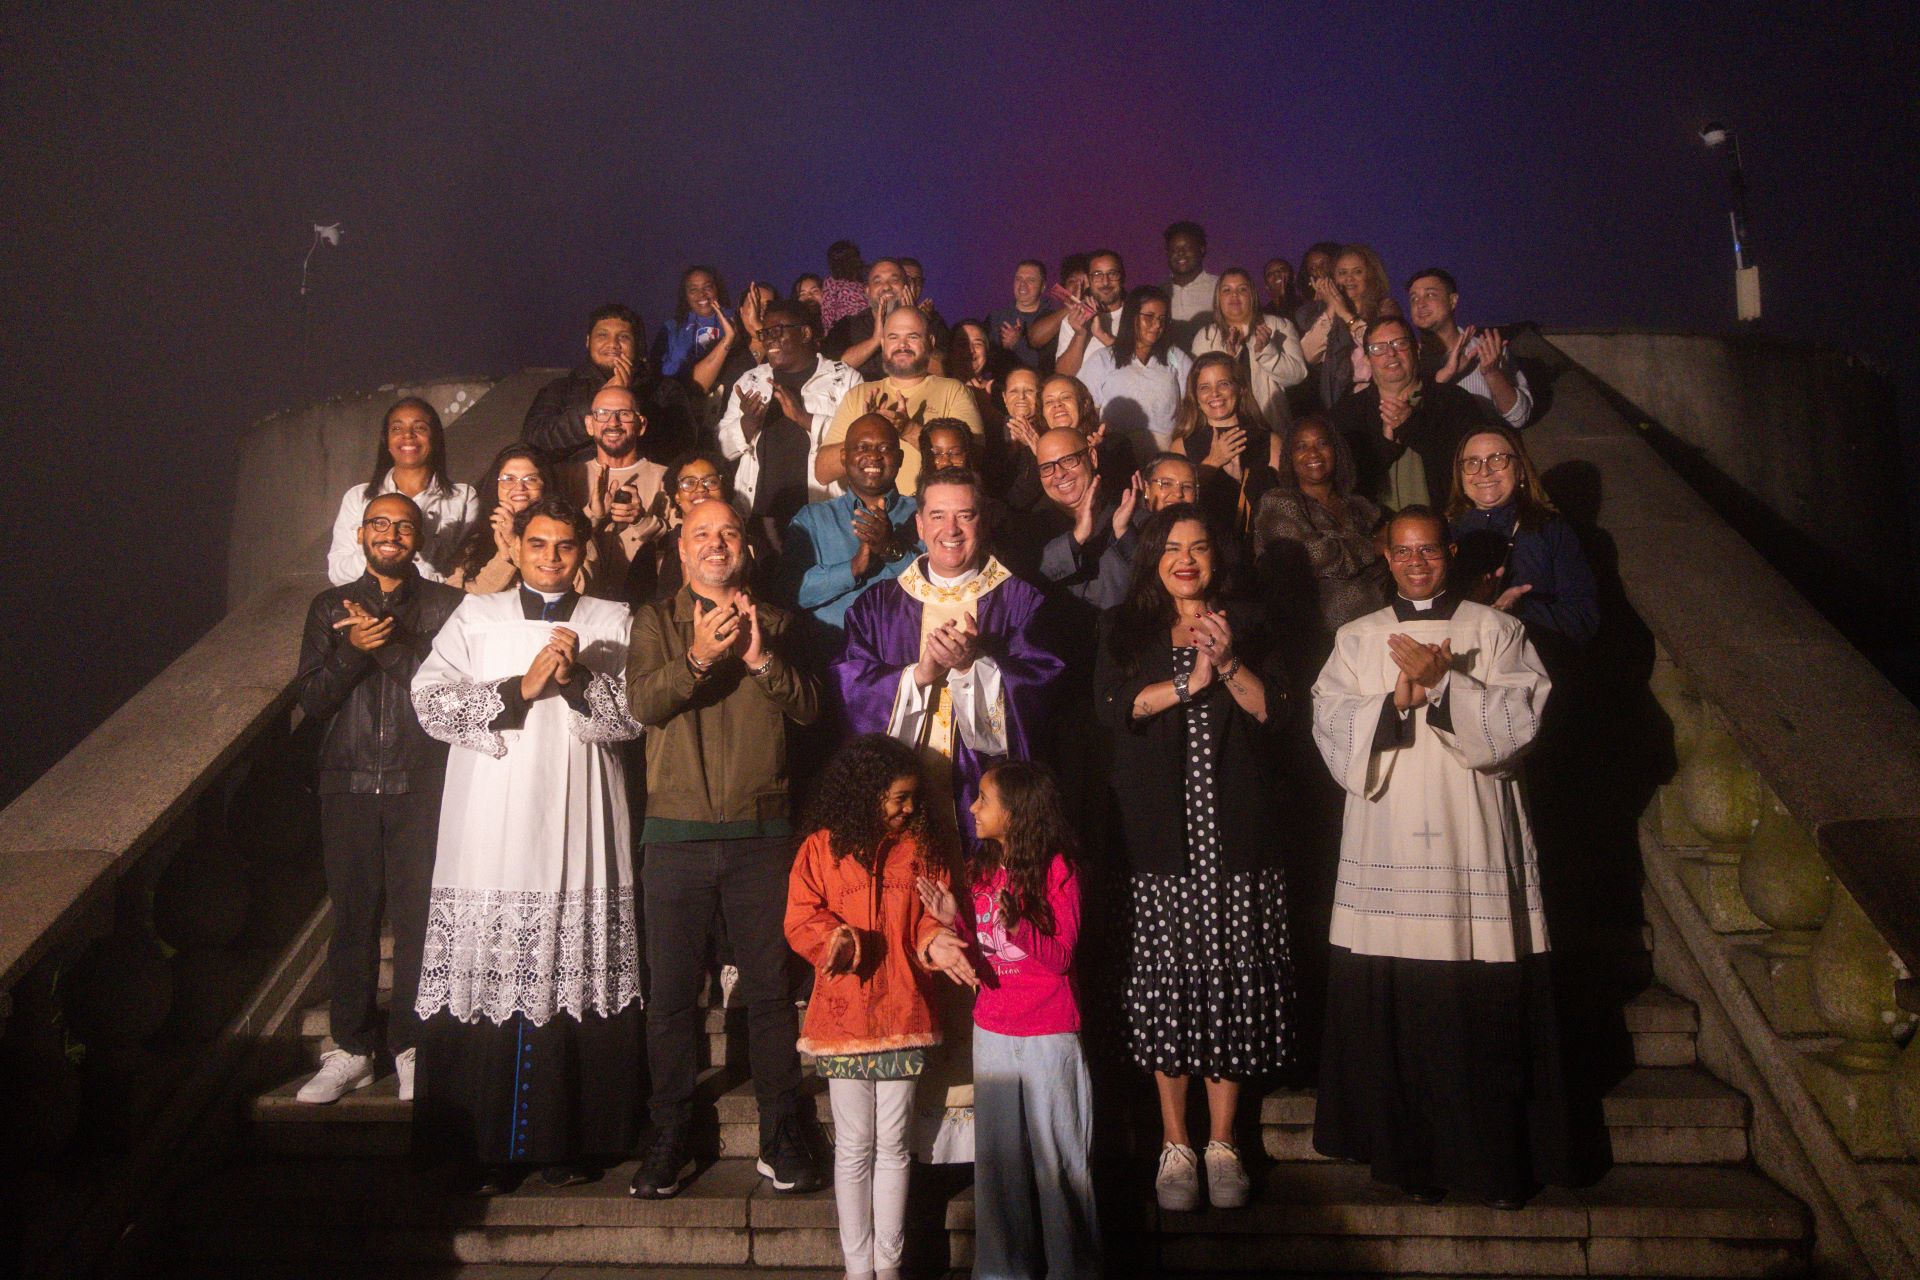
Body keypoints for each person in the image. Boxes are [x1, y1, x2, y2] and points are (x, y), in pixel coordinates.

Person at [1308, 506, 1570, 1208]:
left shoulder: (1496, 630)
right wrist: (1396, 698)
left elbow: (1519, 723)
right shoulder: (1358, 638)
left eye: (1429, 550)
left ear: (1449, 552)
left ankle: (1488, 1166)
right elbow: (1330, 725)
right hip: (1388, 837)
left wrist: (1450, 685)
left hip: (1472, 837)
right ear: (1382, 555)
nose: (1416, 562)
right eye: (1403, 551)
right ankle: (1411, 1163)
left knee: (1476, 1013)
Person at [408, 497, 646, 1193]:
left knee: (568, 972)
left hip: (579, 809)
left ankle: (566, 1142)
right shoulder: (477, 616)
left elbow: (631, 718)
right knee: (494, 968)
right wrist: (520, 687)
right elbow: (428, 700)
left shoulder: (609, 619)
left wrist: (574, 683)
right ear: (514, 545)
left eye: (566, 546)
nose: (551, 557)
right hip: (491, 812)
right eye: (538, 543)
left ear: (583, 551)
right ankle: (482, 1149)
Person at [1095, 503, 1292, 1213]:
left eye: (1200, 547)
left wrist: (1230, 661)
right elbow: (1111, 710)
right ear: (1152, 557)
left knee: (1233, 983)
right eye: (1172, 547)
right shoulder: (1125, 628)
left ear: (1219, 557)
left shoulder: (1254, 624)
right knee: (1166, 984)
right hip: (1156, 841)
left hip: (1235, 841)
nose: (1186, 560)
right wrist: (1186, 684)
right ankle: (1175, 1144)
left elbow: (1279, 714)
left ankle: (1224, 1142)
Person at [626, 499, 823, 1200]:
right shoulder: (654, 620)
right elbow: (642, 706)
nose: (716, 544)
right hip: (675, 835)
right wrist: (698, 657)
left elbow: (808, 707)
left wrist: (758, 656)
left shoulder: (780, 623)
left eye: (729, 532)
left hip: (759, 835)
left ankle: (780, 1131)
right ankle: (670, 1133)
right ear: (681, 550)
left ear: (746, 546)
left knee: (770, 992)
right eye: (701, 534)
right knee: (672, 997)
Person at [294, 493, 464, 1105]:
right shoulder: (329, 606)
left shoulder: (447, 605)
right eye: (379, 524)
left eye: (403, 525)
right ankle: (351, 1050)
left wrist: (385, 647)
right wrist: (350, 650)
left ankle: (413, 1046)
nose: (390, 533)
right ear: (361, 533)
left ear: (420, 537)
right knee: (353, 920)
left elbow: (451, 690)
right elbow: (312, 699)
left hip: (423, 778)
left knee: (421, 921)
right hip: (347, 778)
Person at [785, 734, 976, 1280]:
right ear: (867, 794)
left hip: (904, 1016)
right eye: (899, 798)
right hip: (843, 1019)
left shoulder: (922, 848)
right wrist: (834, 941)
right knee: (853, 1148)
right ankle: (857, 1268)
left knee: (894, 1147)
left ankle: (887, 1268)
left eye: (914, 797)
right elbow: (801, 916)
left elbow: (928, 919)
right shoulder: (820, 848)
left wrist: (935, 939)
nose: (910, 808)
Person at [916, 762, 1100, 1280]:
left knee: (1060, 1164)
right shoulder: (980, 868)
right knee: (997, 1167)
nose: (972, 807)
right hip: (994, 1032)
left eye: (984, 799)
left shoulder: (1058, 868)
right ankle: (1000, 1272)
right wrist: (957, 922)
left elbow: (1061, 955)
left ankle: (1073, 1270)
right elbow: (987, 955)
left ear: (1015, 813)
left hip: (1048, 1036)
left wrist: (1016, 924)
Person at [836, 468, 1064, 853]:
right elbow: (849, 689)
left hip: (985, 800)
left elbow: (1044, 692)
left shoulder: (1022, 601)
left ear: (984, 520)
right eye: (938, 516)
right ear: (920, 525)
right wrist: (918, 676)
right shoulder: (876, 606)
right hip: (905, 800)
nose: (952, 529)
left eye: (965, 515)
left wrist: (972, 667)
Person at [776, 414, 921, 660]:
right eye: (862, 447)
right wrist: (853, 568)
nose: (874, 456)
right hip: (833, 666)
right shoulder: (812, 519)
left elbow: (945, 587)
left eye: (884, 448)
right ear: (844, 457)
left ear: (900, 458)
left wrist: (891, 550)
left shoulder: (925, 514)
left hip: (908, 665)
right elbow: (789, 593)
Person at [1445, 427, 1599, 656]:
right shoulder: (1443, 533)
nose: (1484, 471)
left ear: (1521, 471)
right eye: (1472, 462)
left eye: (1497, 459)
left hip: (1533, 663)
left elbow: (1584, 617)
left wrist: (1521, 611)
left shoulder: (1549, 530)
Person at [716, 297, 865, 527]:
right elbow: (721, 450)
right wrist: (748, 424)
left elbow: (861, 444)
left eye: (777, 331)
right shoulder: (751, 381)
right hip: (758, 520)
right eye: (765, 333)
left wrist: (806, 420)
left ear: (805, 334)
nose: (769, 340)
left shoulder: (843, 379)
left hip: (823, 517)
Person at [816, 306, 984, 498]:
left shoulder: (953, 391)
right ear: (883, 343)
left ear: (930, 342)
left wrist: (909, 430)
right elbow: (822, 473)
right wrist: (866, 431)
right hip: (869, 518)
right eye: (893, 337)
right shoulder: (858, 394)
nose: (902, 345)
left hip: (933, 515)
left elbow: (975, 461)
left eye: (912, 337)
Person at [1333, 317, 1497, 512]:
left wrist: (1413, 427)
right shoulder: (1348, 413)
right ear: (1367, 359)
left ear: (1416, 349)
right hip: (1378, 534)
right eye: (1378, 348)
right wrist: (1385, 446)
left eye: (1400, 344)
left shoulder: (1452, 400)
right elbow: (1346, 484)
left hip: (1446, 526)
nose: (1391, 353)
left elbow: (1471, 466)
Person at [1254, 417, 1391, 649]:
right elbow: (1312, 556)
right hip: (1317, 641)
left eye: (1322, 444)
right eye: (1301, 446)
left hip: (1379, 634)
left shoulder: (1361, 507)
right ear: (1290, 456)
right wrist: (1374, 546)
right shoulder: (1280, 501)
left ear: (1336, 451)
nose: (1313, 453)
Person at [326, 397, 477, 585]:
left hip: (436, 606)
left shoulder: (463, 498)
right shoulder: (358, 497)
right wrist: (380, 550)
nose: (408, 435)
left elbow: (465, 572)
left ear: (435, 438)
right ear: (386, 441)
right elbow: (337, 572)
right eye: (397, 428)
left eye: (420, 427)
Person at [522, 302, 696, 465]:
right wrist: (600, 401)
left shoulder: (665, 389)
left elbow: (683, 445)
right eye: (602, 335)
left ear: (636, 345)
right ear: (588, 341)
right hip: (576, 484)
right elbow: (533, 442)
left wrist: (630, 404)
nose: (613, 344)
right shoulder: (560, 389)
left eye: (624, 337)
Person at [554, 385, 670, 603]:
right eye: (603, 414)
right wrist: (592, 516)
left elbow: (681, 544)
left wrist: (642, 521)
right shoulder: (565, 477)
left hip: (646, 604)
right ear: (590, 424)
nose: (613, 423)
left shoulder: (667, 478)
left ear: (641, 425)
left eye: (624, 414)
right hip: (579, 604)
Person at [1078, 286, 1194, 465]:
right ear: (1132, 316)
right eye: (1149, 317)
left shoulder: (1175, 358)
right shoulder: (1103, 359)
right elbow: (1084, 410)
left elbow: (1194, 401)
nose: (1157, 326)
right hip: (1115, 458)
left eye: (1162, 319)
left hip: (1165, 459)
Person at [1407, 268, 1535, 429]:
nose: (1420, 304)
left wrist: (1492, 374)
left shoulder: (1489, 349)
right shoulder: (1407, 359)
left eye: (1430, 295)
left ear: (1453, 301)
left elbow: (1519, 418)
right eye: (1413, 299)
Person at [1173, 351, 1280, 536]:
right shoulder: (1181, 446)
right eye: (1204, 387)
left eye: (1223, 384)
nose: (1214, 393)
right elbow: (1175, 506)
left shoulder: (1270, 441)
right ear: (1195, 397)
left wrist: (1243, 480)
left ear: (1239, 389)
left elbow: (1283, 507)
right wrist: (1213, 462)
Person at [1190, 267, 1309, 428]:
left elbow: (1298, 375)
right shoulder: (1205, 336)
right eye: (1227, 290)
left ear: (1252, 294)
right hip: (1222, 429)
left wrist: (1267, 353)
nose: (1234, 295)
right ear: (1218, 298)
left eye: (1242, 289)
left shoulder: (1279, 326)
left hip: (1271, 425)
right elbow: (1199, 388)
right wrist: (1229, 359)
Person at [445, 445, 559, 592]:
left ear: (545, 485)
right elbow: (456, 599)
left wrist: (514, 543)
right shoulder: (476, 539)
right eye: (508, 479)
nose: (520, 487)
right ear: (496, 485)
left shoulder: (568, 530)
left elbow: (577, 588)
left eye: (531, 479)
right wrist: (503, 557)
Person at [1302, 245, 1401, 408]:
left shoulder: (1385, 307)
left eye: (1357, 272)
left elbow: (1384, 349)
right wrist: (1332, 307)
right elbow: (1308, 355)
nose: (1349, 279)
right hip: (1340, 401)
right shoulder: (1331, 313)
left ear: (1370, 275)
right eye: (1342, 273)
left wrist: (1346, 315)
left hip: (1380, 398)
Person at [823, 258, 951, 381]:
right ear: (867, 291)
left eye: (894, 280)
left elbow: (942, 375)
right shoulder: (847, 326)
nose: (886, 287)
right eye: (877, 282)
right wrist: (876, 340)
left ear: (907, 286)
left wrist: (913, 322)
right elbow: (832, 371)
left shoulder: (931, 323)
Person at [652, 265, 737, 387]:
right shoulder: (671, 328)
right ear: (685, 295)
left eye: (707, 287)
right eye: (693, 290)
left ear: (717, 289)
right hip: (683, 398)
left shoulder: (736, 321)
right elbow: (657, 369)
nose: (701, 294)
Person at [1053, 250, 1127, 377]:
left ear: (1122, 277)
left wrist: (1102, 334)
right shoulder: (1074, 318)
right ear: (1087, 280)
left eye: (1112, 274)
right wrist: (1080, 334)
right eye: (1097, 274)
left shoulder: (1138, 316)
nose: (1105, 282)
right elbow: (1063, 375)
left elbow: (1142, 369)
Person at [987, 259, 1055, 371]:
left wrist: (1018, 344)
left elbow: (1047, 367)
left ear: (1043, 287)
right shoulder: (996, 318)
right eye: (1018, 279)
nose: (1022, 285)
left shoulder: (1051, 320)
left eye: (1031, 280)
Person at [1162, 220, 1218, 349]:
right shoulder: (1159, 292)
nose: (1180, 253)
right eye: (1174, 249)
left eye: (1187, 248)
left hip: (1211, 366)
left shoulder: (1220, 288)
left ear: (1202, 249)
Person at [818, 239, 869, 333]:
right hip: (846, 330)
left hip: (866, 327)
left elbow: (827, 313)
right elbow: (827, 313)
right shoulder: (832, 282)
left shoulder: (865, 280)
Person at [1263, 255, 1304, 324]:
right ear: (1266, 286)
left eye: (1282, 269)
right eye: (1270, 274)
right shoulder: (1263, 315)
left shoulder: (1306, 304)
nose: (1276, 274)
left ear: (1294, 277)